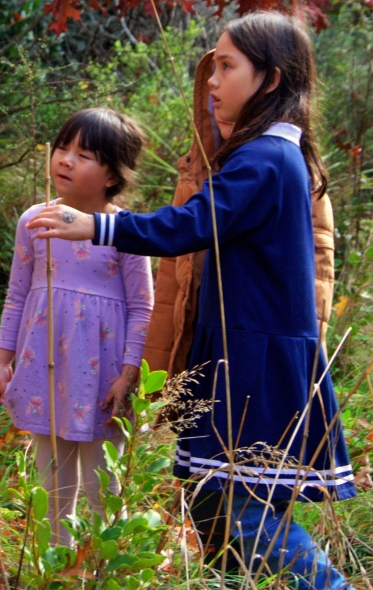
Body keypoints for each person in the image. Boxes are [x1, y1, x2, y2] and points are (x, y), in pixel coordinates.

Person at [29, 13, 355, 589]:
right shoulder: (264, 154)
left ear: (270, 79)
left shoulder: (266, 159)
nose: (213, 80)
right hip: (239, 352)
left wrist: (98, 226)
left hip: (256, 363)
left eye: (227, 67)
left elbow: (190, 225)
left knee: (245, 512)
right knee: (212, 505)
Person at [0, 108, 154, 546]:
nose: (65, 159)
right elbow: (17, 294)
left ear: (111, 175)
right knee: (52, 484)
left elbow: (143, 307)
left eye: (83, 155)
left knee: (104, 485)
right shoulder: (35, 221)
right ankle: (57, 567)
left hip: (103, 379)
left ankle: (104, 565)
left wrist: (128, 374)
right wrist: (3, 358)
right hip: (45, 369)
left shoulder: (125, 232)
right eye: (63, 148)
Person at [144, 48, 336, 391]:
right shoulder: (196, 178)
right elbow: (171, 284)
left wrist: (301, 362)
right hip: (201, 344)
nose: (215, 85)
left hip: (257, 354)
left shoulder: (291, 175)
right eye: (214, 73)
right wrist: (159, 367)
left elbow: (315, 282)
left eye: (228, 68)